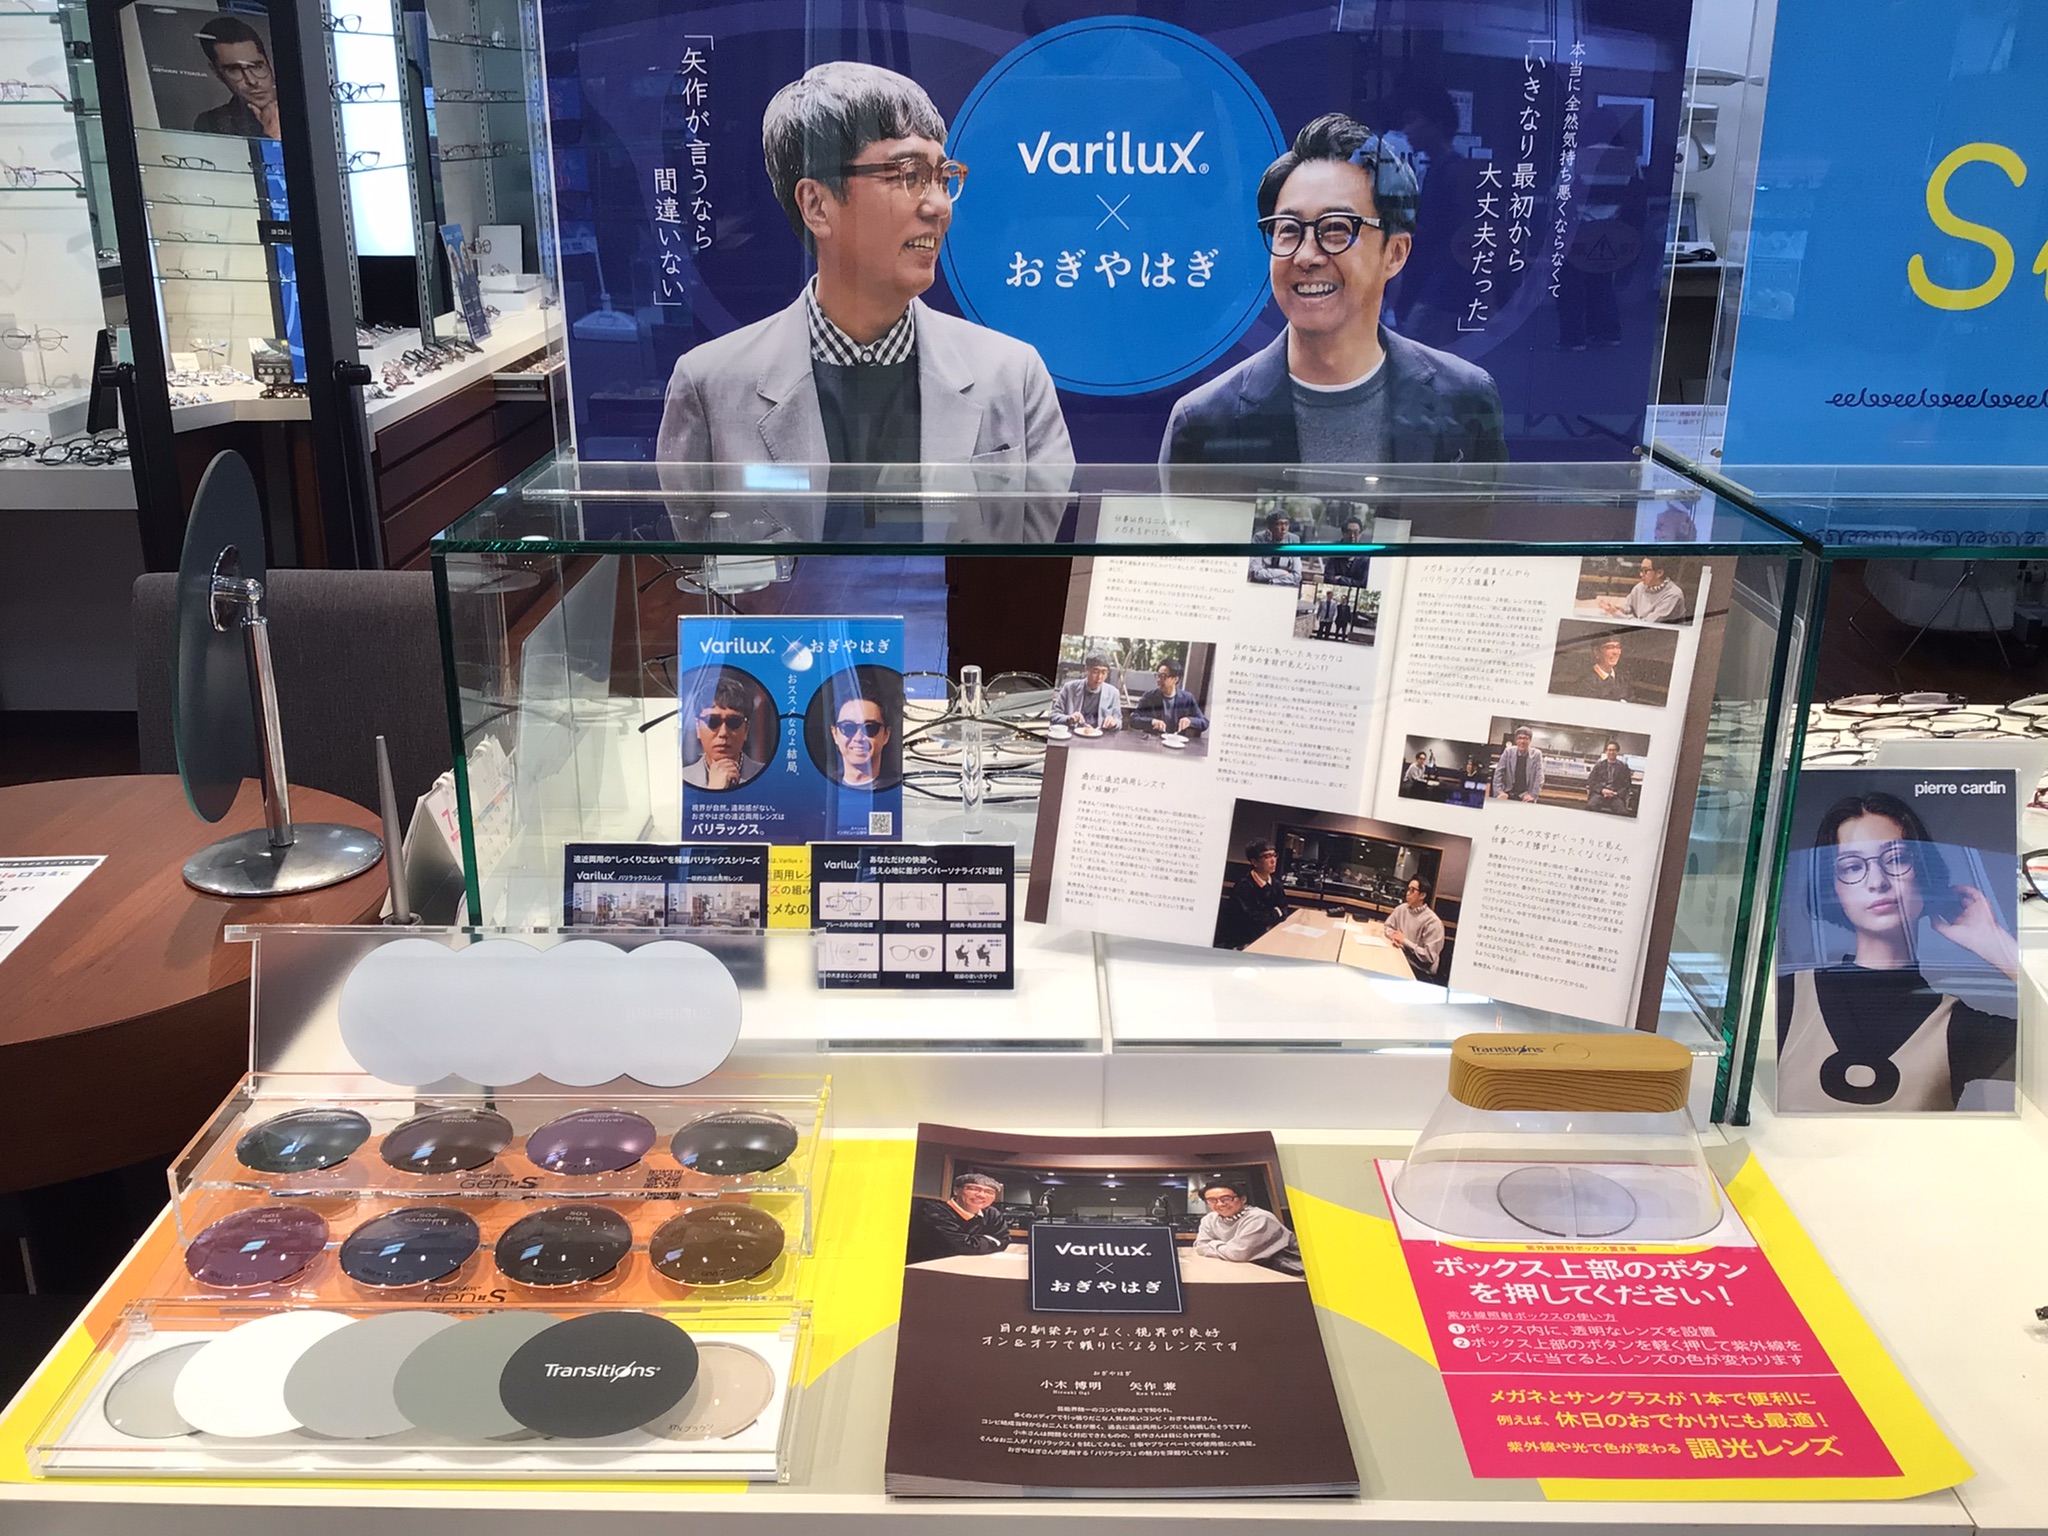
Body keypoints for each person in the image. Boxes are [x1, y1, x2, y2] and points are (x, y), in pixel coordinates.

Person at [656, 62, 1073, 474]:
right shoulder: (711, 387)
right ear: (817, 206)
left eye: (943, 178)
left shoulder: (1013, 377)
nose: (939, 206)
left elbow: (1046, 518)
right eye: (910, 175)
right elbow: (692, 519)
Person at [1162, 113, 1506, 466]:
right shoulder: (1203, 423)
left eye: (1337, 228)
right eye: (1289, 229)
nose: (1306, 256)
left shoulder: (1466, 400)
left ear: (1395, 253)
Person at [1777, 793, 2017, 1112]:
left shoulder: (1955, 1025)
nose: (1877, 882)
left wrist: (1996, 943)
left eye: (1896, 859)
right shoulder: (1786, 998)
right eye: (1852, 867)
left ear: (1924, 873)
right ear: (1832, 887)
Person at [191, 17, 280, 139]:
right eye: (234, 69)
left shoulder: (303, 101)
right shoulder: (212, 123)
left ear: (269, 63)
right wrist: (272, 137)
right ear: (217, 72)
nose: (252, 81)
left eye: (257, 66)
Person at [1192, 1180, 1303, 1275]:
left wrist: (1212, 1243)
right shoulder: (1209, 1219)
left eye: (1226, 1198)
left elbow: (1238, 1254)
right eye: (1212, 1200)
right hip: (1249, 1270)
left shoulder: (1259, 1218)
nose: (1220, 1204)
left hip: (1288, 1272)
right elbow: (1200, 1246)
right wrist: (1228, 1248)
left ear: (1243, 1199)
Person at [681, 671, 768, 791]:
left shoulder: (769, 777)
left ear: (746, 729)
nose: (723, 733)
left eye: (733, 722)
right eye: (712, 721)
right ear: (697, 727)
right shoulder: (680, 779)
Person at [906, 1172, 1013, 1263]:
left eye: (989, 1192)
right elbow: (959, 1247)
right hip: (926, 1269)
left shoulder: (992, 1213)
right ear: (956, 1190)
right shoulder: (932, 1210)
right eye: (973, 1189)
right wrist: (991, 1242)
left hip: (972, 1266)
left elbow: (1004, 1241)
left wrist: (975, 1242)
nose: (981, 1195)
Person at [1220, 840, 1290, 948]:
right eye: (1267, 857)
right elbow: (1251, 919)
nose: (1273, 861)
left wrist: (1271, 916)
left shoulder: (1276, 884)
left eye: (1274, 855)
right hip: (1244, 940)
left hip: (1270, 936)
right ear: (1254, 862)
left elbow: (1284, 909)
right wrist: (1275, 914)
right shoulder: (1244, 886)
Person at [828, 684, 890, 788]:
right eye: (848, 727)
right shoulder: (820, 787)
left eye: (869, 727)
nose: (858, 737)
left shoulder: (901, 789)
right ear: (834, 734)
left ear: (886, 735)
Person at [1382, 875, 1445, 977]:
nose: (1408, 893)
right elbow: (1387, 926)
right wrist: (1394, 936)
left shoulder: (1433, 922)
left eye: (1412, 890)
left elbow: (1429, 956)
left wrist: (1404, 941)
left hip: (1419, 970)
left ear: (1422, 895)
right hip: (1401, 957)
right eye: (1408, 889)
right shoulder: (1401, 909)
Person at [1129, 658, 1208, 736]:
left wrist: (1190, 721)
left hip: (1176, 741)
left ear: (1175, 679)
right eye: (1158, 676)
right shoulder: (1149, 696)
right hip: (1153, 741)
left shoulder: (1187, 699)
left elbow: (1204, 722)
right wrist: (1152, 721)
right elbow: (1133, 720)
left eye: (1163, 676)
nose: (1158, 680)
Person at [1597, 557, 1687, 624]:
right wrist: (1618, 609)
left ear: (1659, 573)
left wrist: (1617, 614)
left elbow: (1647, 624)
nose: (1641, 574)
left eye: (1645, 571)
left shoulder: (1673, 595)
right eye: (1641, 570)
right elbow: (1628, 607)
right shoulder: (1639, 587)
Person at [1053, 653, 1122, 731]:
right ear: (1086, 670)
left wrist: (1114, 722)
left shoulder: (1113, 693)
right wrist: (1069, 719)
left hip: (1100, 735)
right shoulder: (1069, 688)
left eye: (1103, 672)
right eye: (1095, 672)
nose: (1099, 677)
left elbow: (1119, 721)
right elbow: (1054, 715)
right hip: (1073, 734)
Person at [1247, 510, 1301, 586]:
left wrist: (1272, 581)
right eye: (1279, 524)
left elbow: (1297, 576)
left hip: (1284, 587)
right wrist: (1282, 572)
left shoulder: (1293, 540)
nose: (1283, 528)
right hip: (1259, 586)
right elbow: (1256, 573)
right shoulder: (1259, 539)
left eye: (1286, 524)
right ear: (1270, 527)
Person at [1491, 726, 1544, 803]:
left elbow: (1539, 777)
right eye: (1519, 738)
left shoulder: (1536, 754)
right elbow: (1498, 773)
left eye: (1525, 738)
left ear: (1530, 740)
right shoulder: (1508, 752)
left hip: (1526, 795)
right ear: (1516, 740)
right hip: (1507, 792)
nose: (1522, 741)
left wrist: (1533, 795)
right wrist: (1499, 792)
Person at [1585, 741, 1633, 814]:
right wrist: (1602, 790)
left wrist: (1616, 793)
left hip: (1615, 795)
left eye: (1614, 750)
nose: (1611, 752)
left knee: (1622, 812)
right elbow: (1591, 781)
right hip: (1600, 794)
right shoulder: (1599, 765)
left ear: (1617, 752)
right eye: (1609, 750)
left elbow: (1627, 785)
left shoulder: (1623, 767)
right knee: (1590, 807)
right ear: (1606, 751)